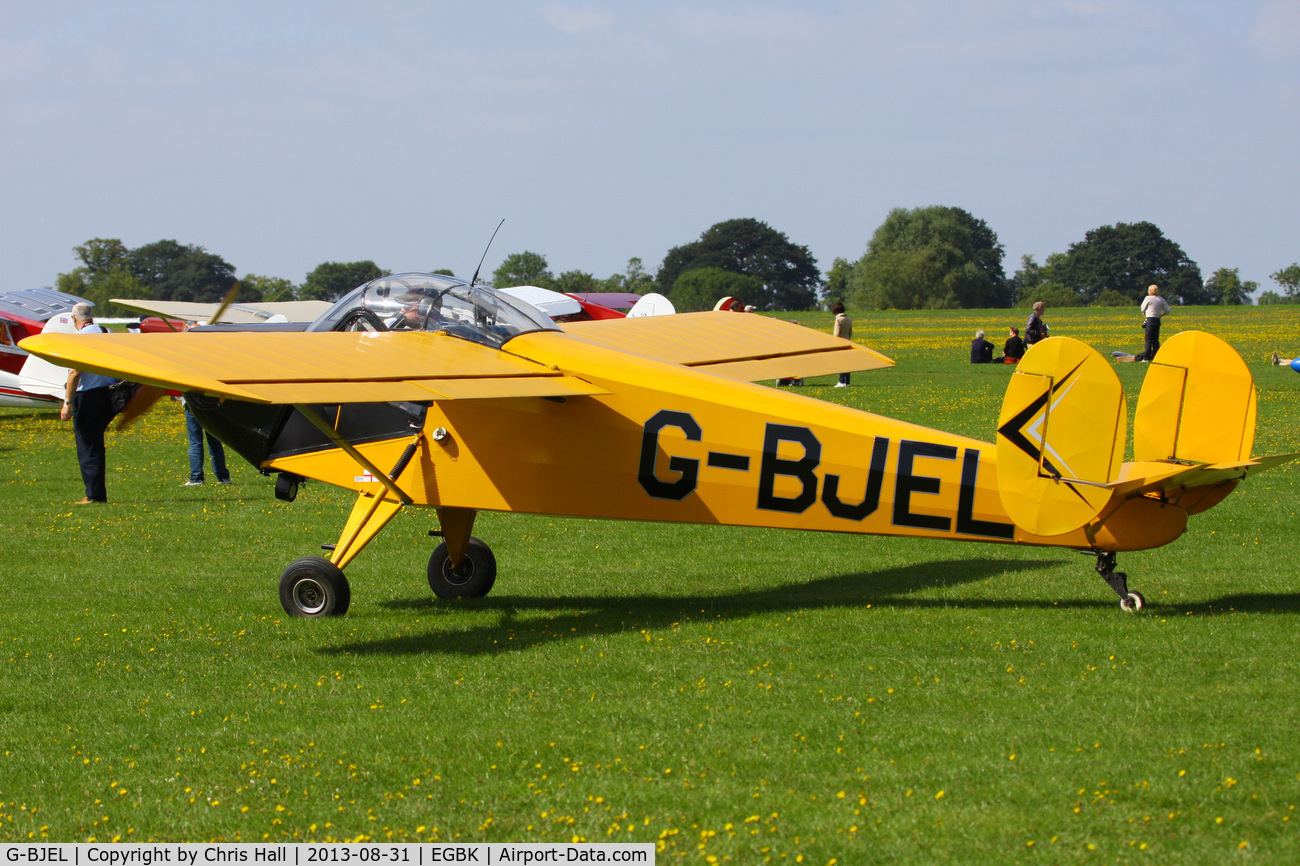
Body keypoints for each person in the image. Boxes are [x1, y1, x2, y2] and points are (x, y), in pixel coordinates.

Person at [59, 303, 116, 504]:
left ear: (75, 319)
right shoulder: (108, 332)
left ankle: (95, 495)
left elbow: (75, 372)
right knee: (96, 444)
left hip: (88, 396)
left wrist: (67, 402)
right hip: (109, 395)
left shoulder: (80, 339)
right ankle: (95, 491)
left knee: (88, 446)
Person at [182, 397, 231, 486]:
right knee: (215, 442)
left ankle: (196, 478)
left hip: (192, 403)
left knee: (195, 443)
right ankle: (223, 477)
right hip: (212, 402)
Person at [1139, 284, 1171, 361]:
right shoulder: (1160, 299)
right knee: (1155, 340)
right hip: (1157, 320)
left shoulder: (1148, 298)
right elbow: (1168, 310)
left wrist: (1145, 313)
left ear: (1150, 291)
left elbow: (1142, 309)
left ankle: (1146, 357)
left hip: (1150, 320)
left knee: (1148, 339)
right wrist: (1160, 315)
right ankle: (1156, 356)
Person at [831, 302, 852, 387]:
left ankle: (841, 381)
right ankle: (847, 381)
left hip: (840, 342)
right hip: (847, 341)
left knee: (841, 362)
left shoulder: (838, 319)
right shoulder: (848, 319)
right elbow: (850, 332)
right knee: (847, 363)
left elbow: (836, 333)